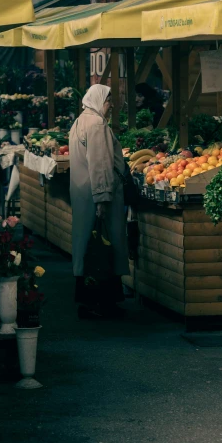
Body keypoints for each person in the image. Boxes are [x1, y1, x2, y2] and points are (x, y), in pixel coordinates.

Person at [69, 84, 130, 318]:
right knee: (106, 245)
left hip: (83, 195)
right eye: (108, 101)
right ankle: (102, 303)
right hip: (98, 195)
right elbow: (101, 164)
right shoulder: (96, 124)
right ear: (97, 100)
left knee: (86, 245)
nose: (111, 105)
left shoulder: (79, 122)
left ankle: (90, 301)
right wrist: (103, 199)